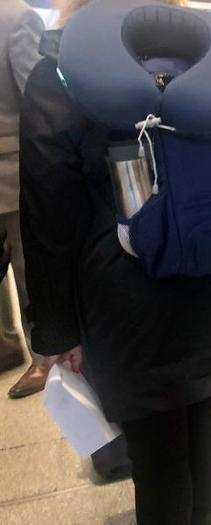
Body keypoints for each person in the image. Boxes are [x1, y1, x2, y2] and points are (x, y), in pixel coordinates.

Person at [20, 0, 211, 523]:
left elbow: (48, 215)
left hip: (126, 298)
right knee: (204, 404)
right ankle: (210, 514)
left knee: (155, 442)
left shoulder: (64, 74)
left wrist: (55, 331)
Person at [0, 0, 47, 397]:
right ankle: (6, 343)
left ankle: (44, 358)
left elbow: (36, 97)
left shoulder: (18, 17)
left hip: (12, 169)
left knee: (28, 267)